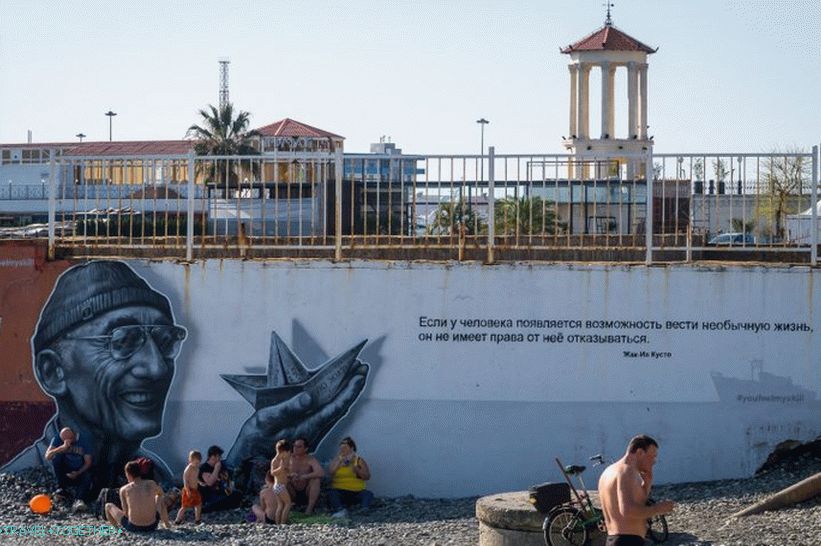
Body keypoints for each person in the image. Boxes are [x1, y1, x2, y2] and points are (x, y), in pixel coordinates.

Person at [2, 260, 370, 498]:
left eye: (164, 341)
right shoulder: (24, 477)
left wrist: (248, 451)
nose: (157, 367)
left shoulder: (157, 473)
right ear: (53, 371)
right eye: (123, 341)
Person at [597, 435, 675, 546]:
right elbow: (627, 510)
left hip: (615, 538)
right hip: (627, 540)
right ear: (639, 452)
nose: (654, 461)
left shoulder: (609, 471)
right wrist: (658, 509)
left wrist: (647, 484)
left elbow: (633, 504)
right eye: (652, 456)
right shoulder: (626, 472)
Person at [105, 461, 171, 533]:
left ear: (128, 474)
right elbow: (161, 493)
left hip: (133, 527)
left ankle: (118, 530)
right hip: (152, 525)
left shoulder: (123, 489)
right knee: (159, 497)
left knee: (108, 506)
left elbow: (126, 513)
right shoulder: (151, 483)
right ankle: (167, 524)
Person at [44, 426, 93, 510]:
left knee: (88, 475)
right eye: (64, 440)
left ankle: (79, 499)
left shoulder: (84, 440)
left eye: (69, 439)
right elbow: (48, 456)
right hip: (65, 469)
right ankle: (61, 488)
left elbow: (88, 462)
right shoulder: (57, 439)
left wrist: (78, 473)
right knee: (56, 458)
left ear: (73, 436)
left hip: (80, 469)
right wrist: (60, 448)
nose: (67, 442)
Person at [327, 436, 373, 517]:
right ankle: (340, 509)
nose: (342, 449)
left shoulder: (358, 460)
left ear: (351, 448)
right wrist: (339, 464)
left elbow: (367, 477)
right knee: (332, 493)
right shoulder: (337, 459)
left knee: (368, 494)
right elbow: (330, 473)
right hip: (340, 490)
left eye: (345, 447)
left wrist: (357, 470)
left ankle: (364, 509)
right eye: (341, 447)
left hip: (356, 491)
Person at [199, 445, 243, 513]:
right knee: (221, 501)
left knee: (237, 494)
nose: (220, 458)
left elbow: (228, 478)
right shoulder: (204, 468)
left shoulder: (222, 466)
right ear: (213, 457)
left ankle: (227, 505)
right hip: (209, 495)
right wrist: (216, 469)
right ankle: (208, 508)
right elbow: (210, 482)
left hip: (221, 493)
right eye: (219, 456)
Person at [287, 437, 324, 515]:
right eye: (294, 446)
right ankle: (286, 507)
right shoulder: (288, 458)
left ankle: (309, 509)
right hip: (292, 491)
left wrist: (304, 476)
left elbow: (320, 472)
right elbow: (275, 472)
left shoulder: (310, 459)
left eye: (299, 447)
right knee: (282, 480)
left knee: (316, 480)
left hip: (306, 491)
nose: (295, 448)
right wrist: (290, 475)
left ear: (306, 449)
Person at [174, 450, 202, 524]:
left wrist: (200, 482)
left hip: (195, 490)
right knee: (184, 506)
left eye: (198, 463)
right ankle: (177, 520)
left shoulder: (197, 468)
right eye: (196, 463)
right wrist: (187, 490)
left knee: (198, 504)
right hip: (188, 489)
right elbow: (185, 480)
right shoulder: (188, 469)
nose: (197, 464)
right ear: (190, 461)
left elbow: (196, 478)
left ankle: (197, 520)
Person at [269, 439, 292, 524]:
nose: (289, 454)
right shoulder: (275, 460)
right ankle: (283, 522)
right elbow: (272, 472)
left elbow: (285, 472)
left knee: (281, 505)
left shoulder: (283, 461)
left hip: (279, 486)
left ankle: (278, 523)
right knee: (288, 504)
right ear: (283, 452)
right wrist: (280, 468)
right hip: (279, 486)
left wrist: (289, 473)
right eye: (288, 452)